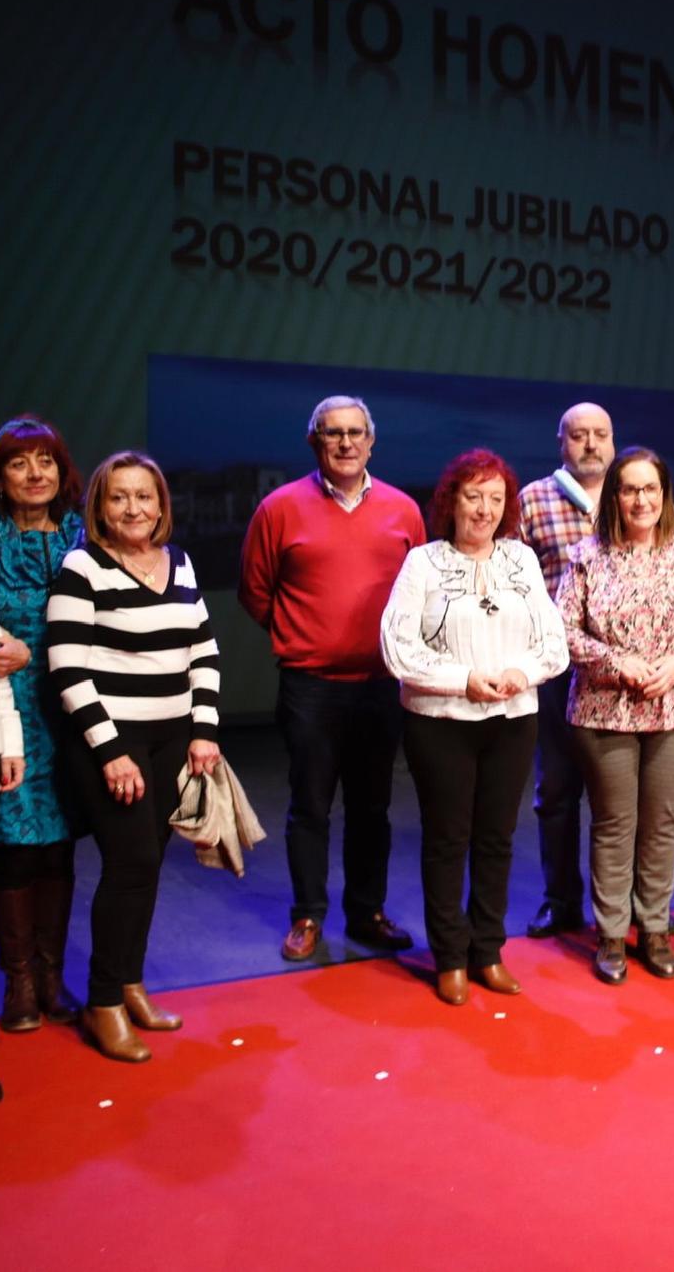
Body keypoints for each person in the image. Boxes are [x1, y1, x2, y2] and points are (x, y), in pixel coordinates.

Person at [48, 451, 222, 1061]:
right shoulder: (83, 566)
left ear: (161, 503)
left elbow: (203, 651)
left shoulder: (179, 562)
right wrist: (112, 750)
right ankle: (102, 1003)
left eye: (144, 496)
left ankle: (129, 984)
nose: (133, 508)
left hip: (175, 739)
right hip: (112, 745)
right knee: (131, 865)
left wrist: (205, 730)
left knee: (147, 869)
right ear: (99, 505)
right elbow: (67, 666)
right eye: (119, 497)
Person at [240, 396, 425, 962]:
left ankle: (367, 913)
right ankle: (307, 916)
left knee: (372, 808)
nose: (345, 443)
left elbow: (421, 591)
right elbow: (256, 592)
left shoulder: (403, 510)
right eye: (332, 433)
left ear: (371, 441)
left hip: (379, 684)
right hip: (311, 686)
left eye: (355, 433)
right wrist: (306, 635)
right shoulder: (278, 508)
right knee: (310, 805)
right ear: (314, 442)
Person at [380, 450, 568, 1005]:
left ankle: (487, 949)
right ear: (451, 501)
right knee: (447, 840)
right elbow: (397, 647)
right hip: (441, 722)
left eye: (495, 498)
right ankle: (450, 957)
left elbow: (552, 644)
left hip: (513, 719)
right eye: (473, 496)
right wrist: (463, 679)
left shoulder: (522, 561)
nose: (484, 509)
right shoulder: (423, 563)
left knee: (496, 839)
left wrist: (521, 672)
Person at [558, 447, 674, 984]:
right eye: (630, 489)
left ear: (664, 495)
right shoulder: (586, 557)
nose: (641, 499)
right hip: (604, 710)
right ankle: (610, 933)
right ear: (615, 496)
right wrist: (615, 662)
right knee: (614, 824)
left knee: (661, 824)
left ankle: (652, 927)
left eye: (651, 488)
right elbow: (564, 632)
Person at [0, 417, 86, 1031]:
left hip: (69, 706)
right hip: (4, 706)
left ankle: (51, 973)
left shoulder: (79, 532)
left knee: (60, 848)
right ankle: (18, 979)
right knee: (16, 849)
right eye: (20, 462)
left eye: (46, 459)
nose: (35, 472)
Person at [516, 401, 615, 938]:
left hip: (622, 673)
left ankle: (620, 904)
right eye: (579, 435)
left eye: (601, 434)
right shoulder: (532, 500)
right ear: (562, 442)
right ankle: (561, 900)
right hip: (558, 671)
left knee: (619, 794)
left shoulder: (634, 494)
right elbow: (512, 581)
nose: (591, 444)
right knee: (556, 789)